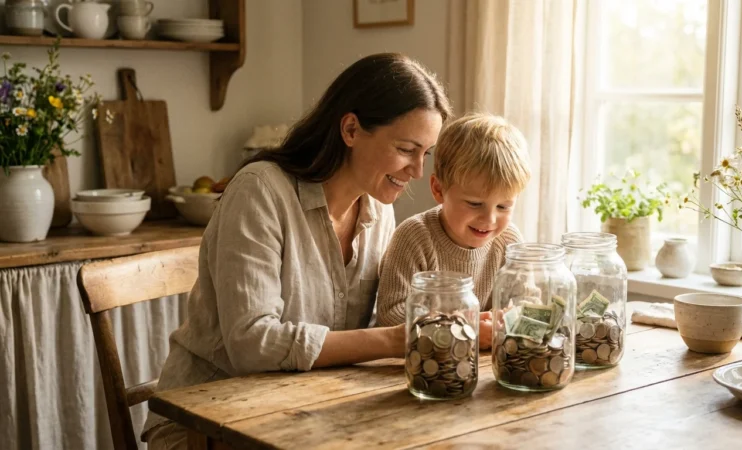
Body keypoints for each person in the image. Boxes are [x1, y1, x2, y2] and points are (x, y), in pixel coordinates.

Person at [143, 53, 452, 449]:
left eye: (425, 153)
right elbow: (252, 344)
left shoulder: (379, 210)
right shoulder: (260, 191)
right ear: (352, 129)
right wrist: (395, 340)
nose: (417, 171)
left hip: (304, 414)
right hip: (205, 425)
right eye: (407, 149)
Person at [375, 113, 531, 349]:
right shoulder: (413, 237)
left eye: (503, 206)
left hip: (486, 364)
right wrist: (463, 327)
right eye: (474, 204)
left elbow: (526, 303)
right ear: (438, 189)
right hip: (422, 362)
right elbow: (391, 315)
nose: (489, 219)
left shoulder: (509, 241)